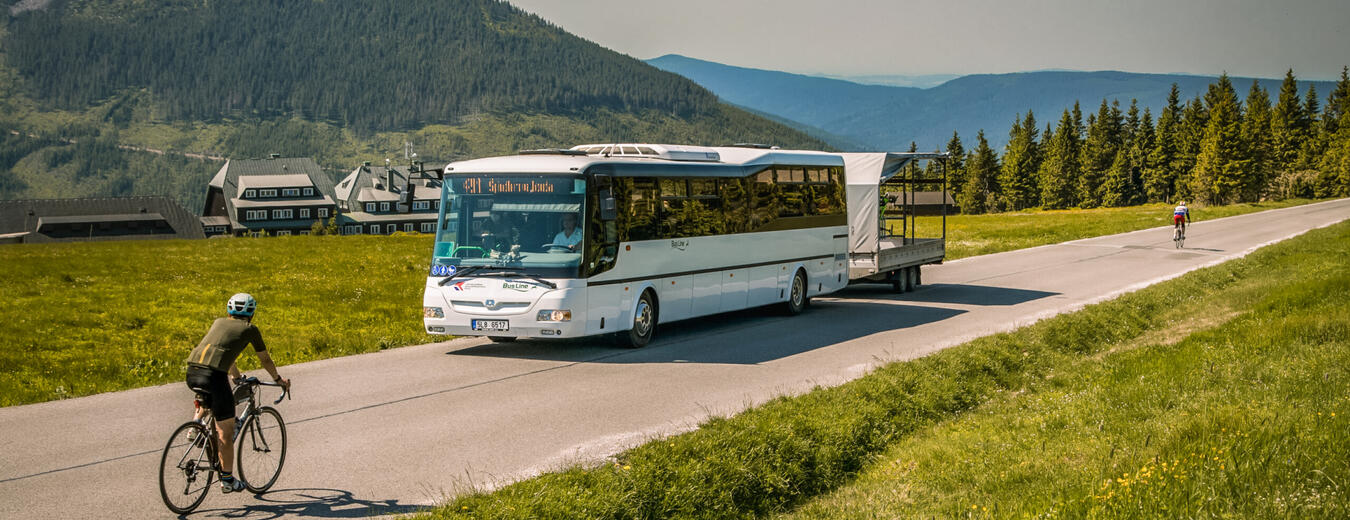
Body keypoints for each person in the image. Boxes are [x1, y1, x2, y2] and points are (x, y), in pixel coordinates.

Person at [184, 293, 291, 493]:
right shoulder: (250, 329)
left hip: (192, 371)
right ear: (252, 313)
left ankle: (196, 425)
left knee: (209, 400)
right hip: (214, 376)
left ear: (228, 311)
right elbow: (265, 359)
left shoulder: (219, 323)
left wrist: (235, 377)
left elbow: (224, 353)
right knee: (226, 430)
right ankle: (227, 480)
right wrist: (278, 380)